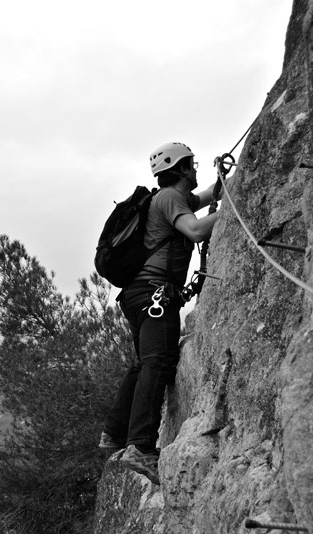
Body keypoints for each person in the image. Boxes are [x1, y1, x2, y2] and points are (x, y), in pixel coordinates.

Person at [99, 142, 218, 485]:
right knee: (158, 361)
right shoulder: (168, 199)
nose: (196, 170)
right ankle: (141, 446)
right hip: (154, 295)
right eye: (192, 165)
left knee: (143, 363)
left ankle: (114, 433)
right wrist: (238, 208)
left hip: (140, 295)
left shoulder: (171, 199)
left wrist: (226, 186)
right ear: (181, 170)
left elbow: (207, 195)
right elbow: (195, 230)